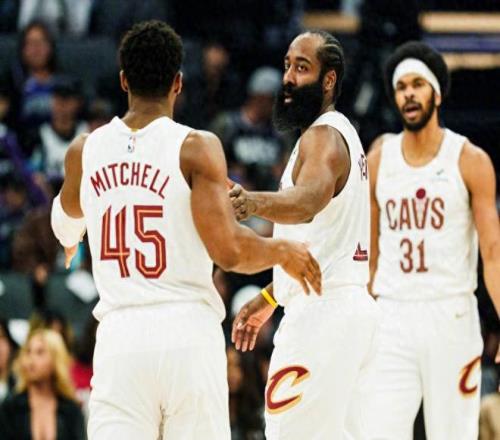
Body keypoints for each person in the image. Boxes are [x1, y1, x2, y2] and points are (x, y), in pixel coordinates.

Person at [50, 20, 321, 440]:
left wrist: (73, 239)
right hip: (186, 333)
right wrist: (282, 250)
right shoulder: (195, 147)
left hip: (120, 339)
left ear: (123, 81)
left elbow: (64, 225)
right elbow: (230, 252)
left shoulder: (84, 150)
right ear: (178, 83)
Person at [230, 30, 379, 439]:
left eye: (302, 67)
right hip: (345, 311)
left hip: (324, 318)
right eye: (287, 66)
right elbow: (322, 242)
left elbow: (308, 201)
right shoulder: (334, 134)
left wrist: (252, 202)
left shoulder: (323, 137)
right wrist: (272, 296)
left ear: (328, 80)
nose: (288, 79)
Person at [364, 41, 500, 440]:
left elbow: (492, 252)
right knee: (378, 432)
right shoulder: (379, 160)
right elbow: (369, 254)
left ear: (436, 94)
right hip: (392, 314)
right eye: (401, 87)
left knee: (453, 434)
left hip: (451, 314)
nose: (408, 93)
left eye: (417, 84)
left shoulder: (469, 159)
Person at [0, 329, 85, 439]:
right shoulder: (10, 407)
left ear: (55, 359)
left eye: (40, 352)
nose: (31, 360)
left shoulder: (71, 410)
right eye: (28, 352)